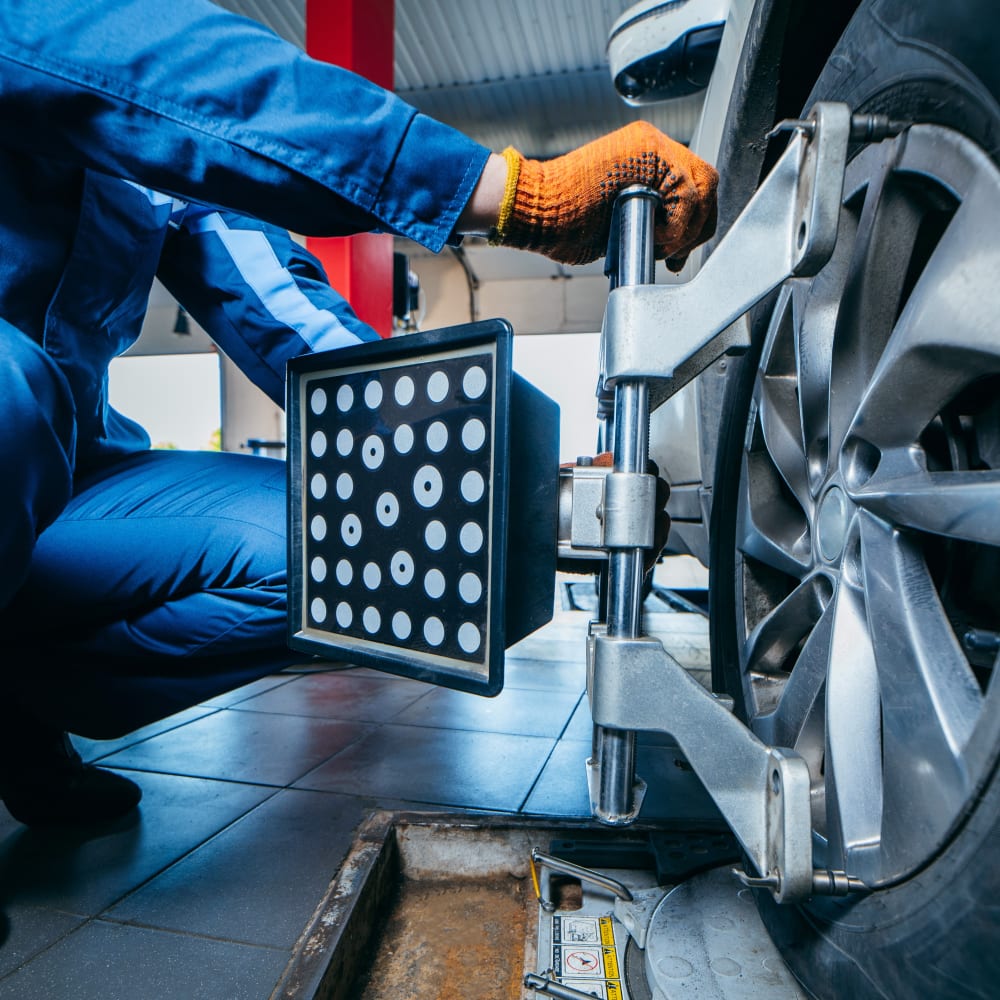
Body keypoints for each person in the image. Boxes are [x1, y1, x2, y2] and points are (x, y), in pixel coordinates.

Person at [0, 0, 718, 826]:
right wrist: (513, 194)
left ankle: (16, 701)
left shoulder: (158, 169)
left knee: (338, 551)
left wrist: (482, 469)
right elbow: (166, 79)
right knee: (11, 388)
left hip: (67, 477)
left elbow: (278, 308)